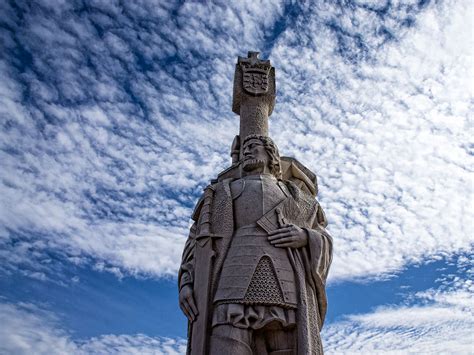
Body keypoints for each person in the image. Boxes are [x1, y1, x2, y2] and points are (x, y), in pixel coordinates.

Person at [179, 135, 332, 355]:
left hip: (286, 287)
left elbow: (322, 236)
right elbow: (197, 242)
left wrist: (306, 237)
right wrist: (187, 283)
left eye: (253, 148)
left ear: (271, 155)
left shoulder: (296, 197)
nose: (246, 153)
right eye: (243, 150)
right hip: (231, 282)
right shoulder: (221, 193)